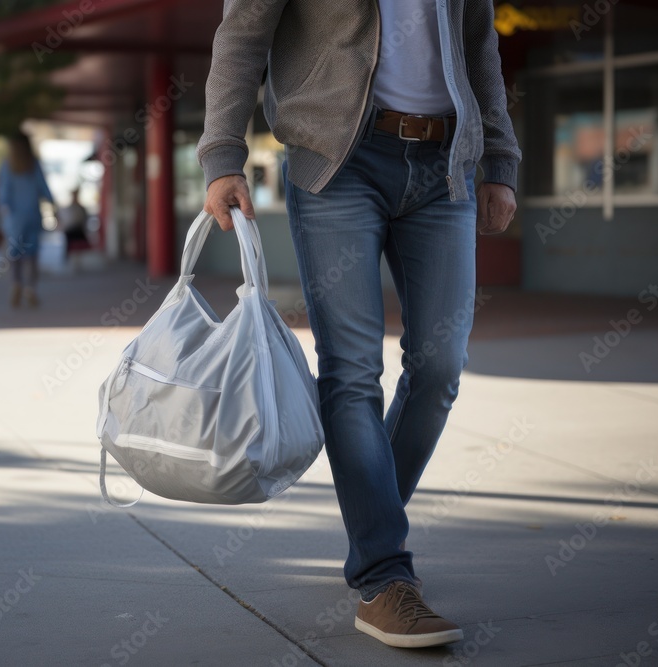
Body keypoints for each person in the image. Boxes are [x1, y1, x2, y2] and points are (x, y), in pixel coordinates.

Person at [198, 0, 521, 649]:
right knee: (352, 371)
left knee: (440, 366)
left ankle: (373, 527)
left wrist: (500, 159)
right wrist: (222, 153)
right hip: (338, 161)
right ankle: (383, 575)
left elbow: (479, 43)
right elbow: (243, 31)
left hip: (443, 167)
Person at [0, 132, 54, 307]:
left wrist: (3, 214)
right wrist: (53, 205)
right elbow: (43, 187)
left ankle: (16, 283)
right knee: (33, 255)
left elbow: (4, 194)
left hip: (14, 218)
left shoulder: (8, 165)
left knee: (15, 255)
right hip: (33, 215)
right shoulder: (33, 164)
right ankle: (31, 288)